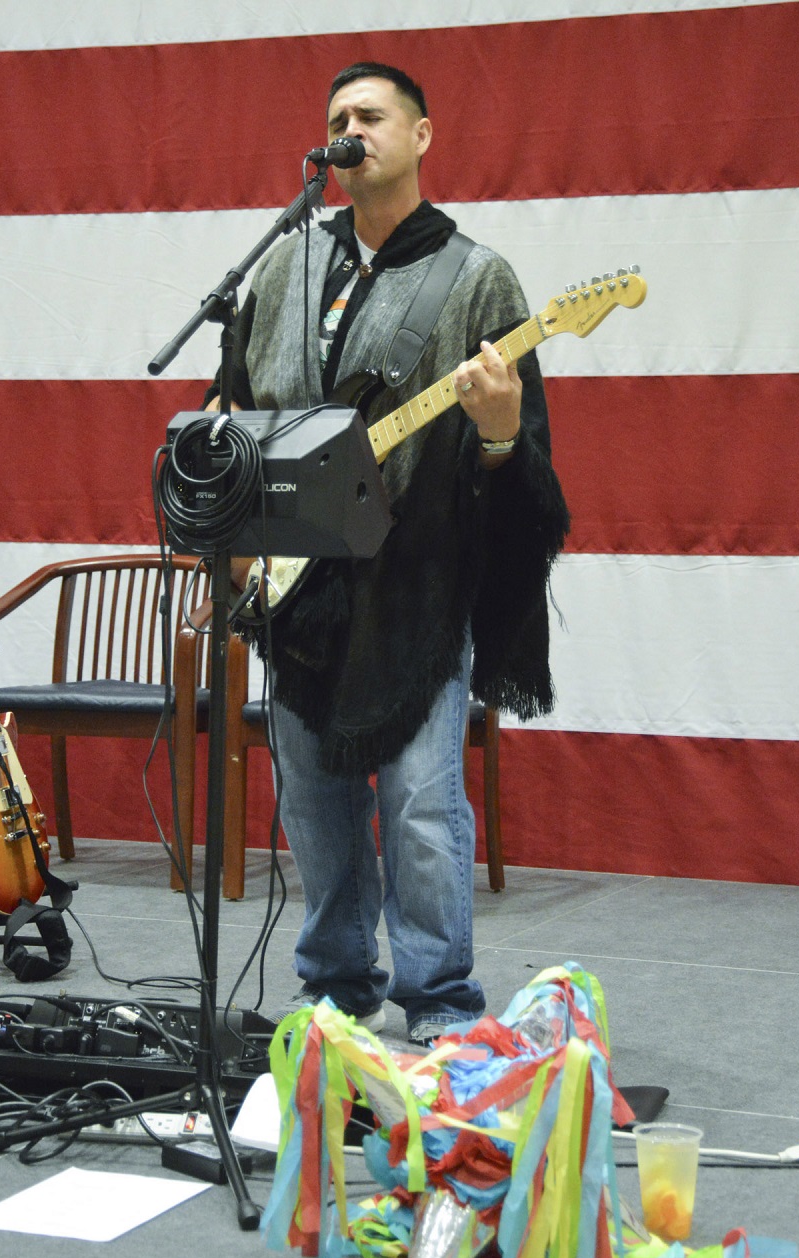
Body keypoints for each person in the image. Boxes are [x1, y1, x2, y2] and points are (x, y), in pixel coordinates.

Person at [207, 61, 569, 1044]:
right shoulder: (281, 268)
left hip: (417, 589)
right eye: (336, 117)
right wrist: (238, 547)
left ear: (421, 137)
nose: (349, 127)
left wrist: (493, 428)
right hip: (298, 587)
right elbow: (230, 410)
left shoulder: (476, 277)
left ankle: (442, 1005)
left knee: (417, 806)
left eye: (370, 113)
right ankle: (334, 992)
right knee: (316, 812)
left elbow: (521, 459)